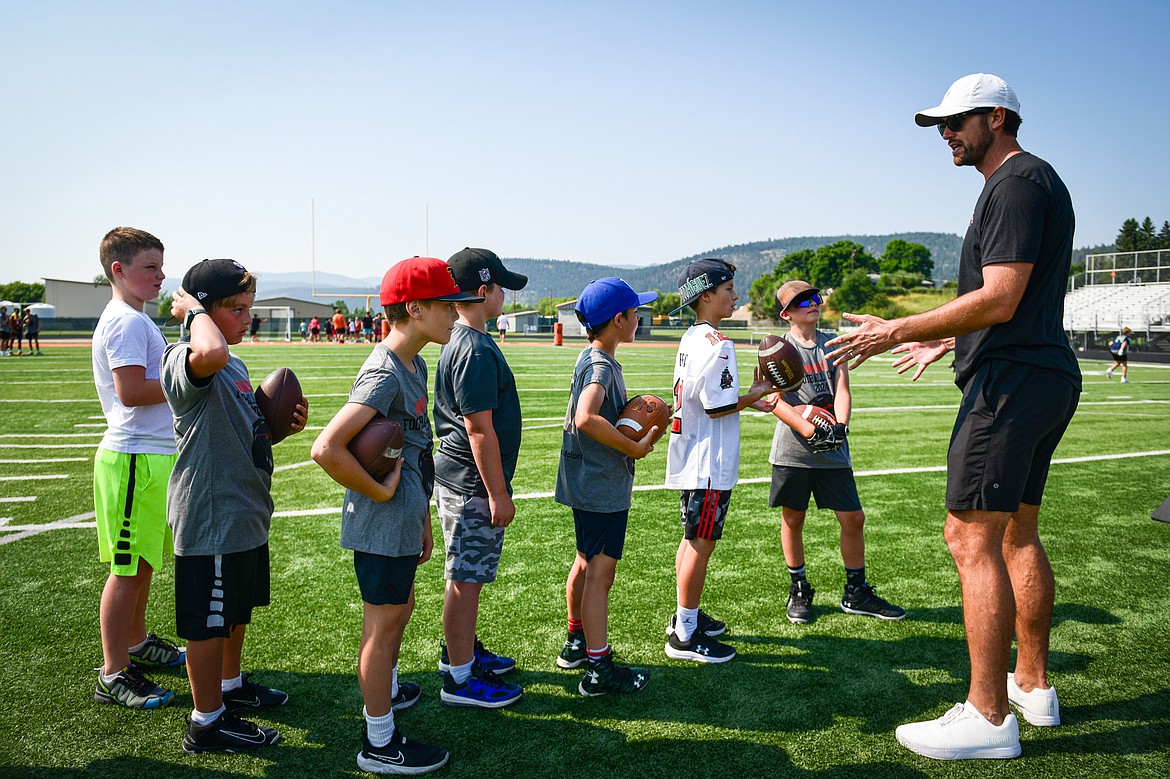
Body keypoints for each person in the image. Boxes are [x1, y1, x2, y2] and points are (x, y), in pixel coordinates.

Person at [825, 73, 1080, 761]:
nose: (946, 133)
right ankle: (1031, 685)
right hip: (1039, 372)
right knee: (1018, 532)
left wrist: (900, 329)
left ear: (998, 116)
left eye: (957, 120)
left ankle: (988, 716)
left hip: (1011, 384)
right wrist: (949, 337)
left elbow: (1000, 297)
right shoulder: (1031, 183)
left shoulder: (1015, 183)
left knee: (970, 537)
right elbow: (1011, 303)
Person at [311, 256, 480, 775]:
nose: (455, 313)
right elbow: (327, 447)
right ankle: (379, 743)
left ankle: (384, 690)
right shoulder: (385, 369)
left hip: (405, 514)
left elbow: (413, 447)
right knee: (381, 629)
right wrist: (381, 496)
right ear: (413, 308)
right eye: (446, 304)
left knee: (398, 613)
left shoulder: (416, 362)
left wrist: (420, 513)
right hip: (382, 521)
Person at [163, 258, 308, 754]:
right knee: (208, 619)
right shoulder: (185, 356)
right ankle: (206, 722)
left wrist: (278, 428)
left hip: (244, 510)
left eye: (250, 308)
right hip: (211, 513)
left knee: (236, 610)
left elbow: (245, 433)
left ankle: (229, 686)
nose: (249, 317)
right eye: (238, 309)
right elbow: (210, 350)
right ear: (205, 311)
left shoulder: (237, 363)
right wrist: (191, 312)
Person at [767, 280, 905, 625]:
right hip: (793, 450)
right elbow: (773, 400)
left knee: (853, 517)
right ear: (786, 314)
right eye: (801, 302)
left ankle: (856, 591)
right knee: (793, 518)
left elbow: (842, 389)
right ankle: (799, 587)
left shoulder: (833, 342)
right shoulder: (775, 349)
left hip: (833, 448)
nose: (811, 304)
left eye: (814, 297)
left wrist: (839, 427)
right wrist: (808, 427)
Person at [91, 227, 184, 711]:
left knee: (144, 561)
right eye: (150, 267)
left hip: (147, 456)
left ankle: (136, 641)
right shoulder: (125, 321)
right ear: (119, 270)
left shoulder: (135, 318)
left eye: (161, 266)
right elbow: (131, 391)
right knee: (128, 568)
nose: (161, 276)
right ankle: (113, 672)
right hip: (131, 457)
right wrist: (189, 379)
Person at [663, 258, 774, 663]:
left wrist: (749, 400)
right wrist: (757, 391)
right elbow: (719, 407)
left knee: (691, 539)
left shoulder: (692, 337)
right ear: (707, 295)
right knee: (700, 543)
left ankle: (683, 616)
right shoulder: (718, 344)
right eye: (729, 289)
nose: (735, 296)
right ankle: (685, 635)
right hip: (709, 462)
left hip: (691, 456)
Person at [432, 247, 528, 708]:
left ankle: (461, 651)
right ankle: (460, 675)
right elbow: (478, 427)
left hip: (462, 478)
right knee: (465, 579)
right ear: (484, 290)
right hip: (472, 483)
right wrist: (498, 492)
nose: (505, 295)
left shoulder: (465, 339)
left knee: (465, 576)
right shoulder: (471, 346)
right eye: (501, 286)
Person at [555, 278, 658, 696]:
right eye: (636, 312)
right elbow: (586, 417)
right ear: (619, 320)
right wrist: (634, 446)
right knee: (601, 574)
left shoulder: (592, 355)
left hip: (585, 481)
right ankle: (599, 668)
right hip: (600, 485)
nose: (640, 317)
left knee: (584, 562)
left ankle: (577, 640)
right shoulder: (600, 365)